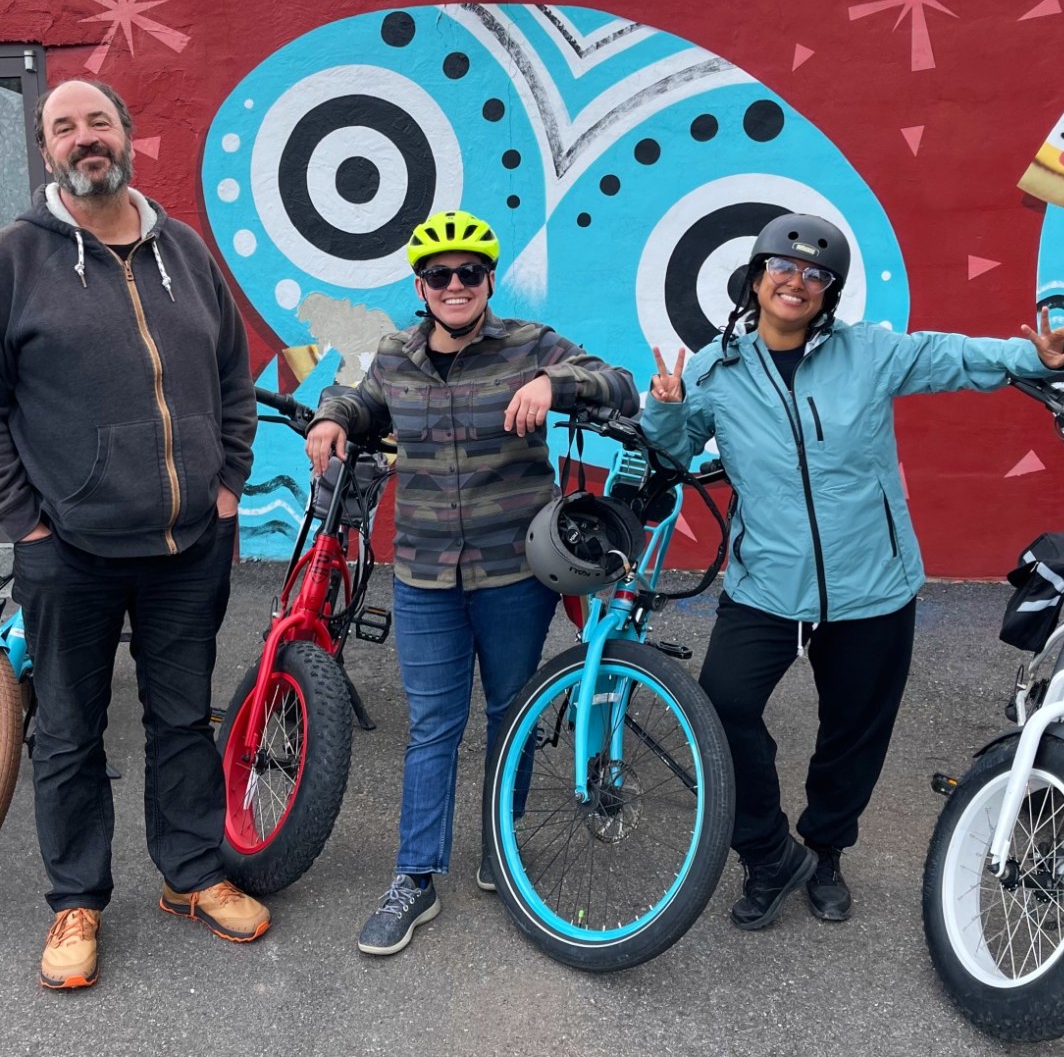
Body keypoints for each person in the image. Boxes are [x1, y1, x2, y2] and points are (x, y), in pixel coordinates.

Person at [642, 212, 1064, 930]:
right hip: (766, 585)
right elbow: (674, 450)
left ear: (830, 291)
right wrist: (664, 410)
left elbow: (948, 356)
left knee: (853, 732)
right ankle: (767, 854)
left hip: (872, 584)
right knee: (721, 709)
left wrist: (1031, 358)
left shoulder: (867, 352)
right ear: (755, 277)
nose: (797, 282)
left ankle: (825, 852)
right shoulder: (712, 370)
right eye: (783, 266)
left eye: (816, 274)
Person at [305, 209, 638, 956]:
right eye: (439, 275)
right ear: (420, 287)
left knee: (511, 711)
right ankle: (415, 877)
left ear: (488, 281)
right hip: (424, 573)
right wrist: (332, 418)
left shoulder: (530, 344)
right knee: (433, 726)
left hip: (515, 570)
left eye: (469, 273)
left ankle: (500, 844)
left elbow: (619, 387)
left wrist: (555, 382)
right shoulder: (395, 354)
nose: (454, 285)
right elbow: (358, 397)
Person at [0, 79, 270, 990]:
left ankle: (190, 873)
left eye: (98, 122)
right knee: (68, 731)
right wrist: (26, 524)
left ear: (126, 135)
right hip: (67, 551)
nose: (85, 138)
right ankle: (76, 899)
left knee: (182, 719)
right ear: (47, 150)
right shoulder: (15, 259)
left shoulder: (184, 250)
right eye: (64, 126)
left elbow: (233, 375)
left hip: (188, 547)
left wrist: (227, 487)